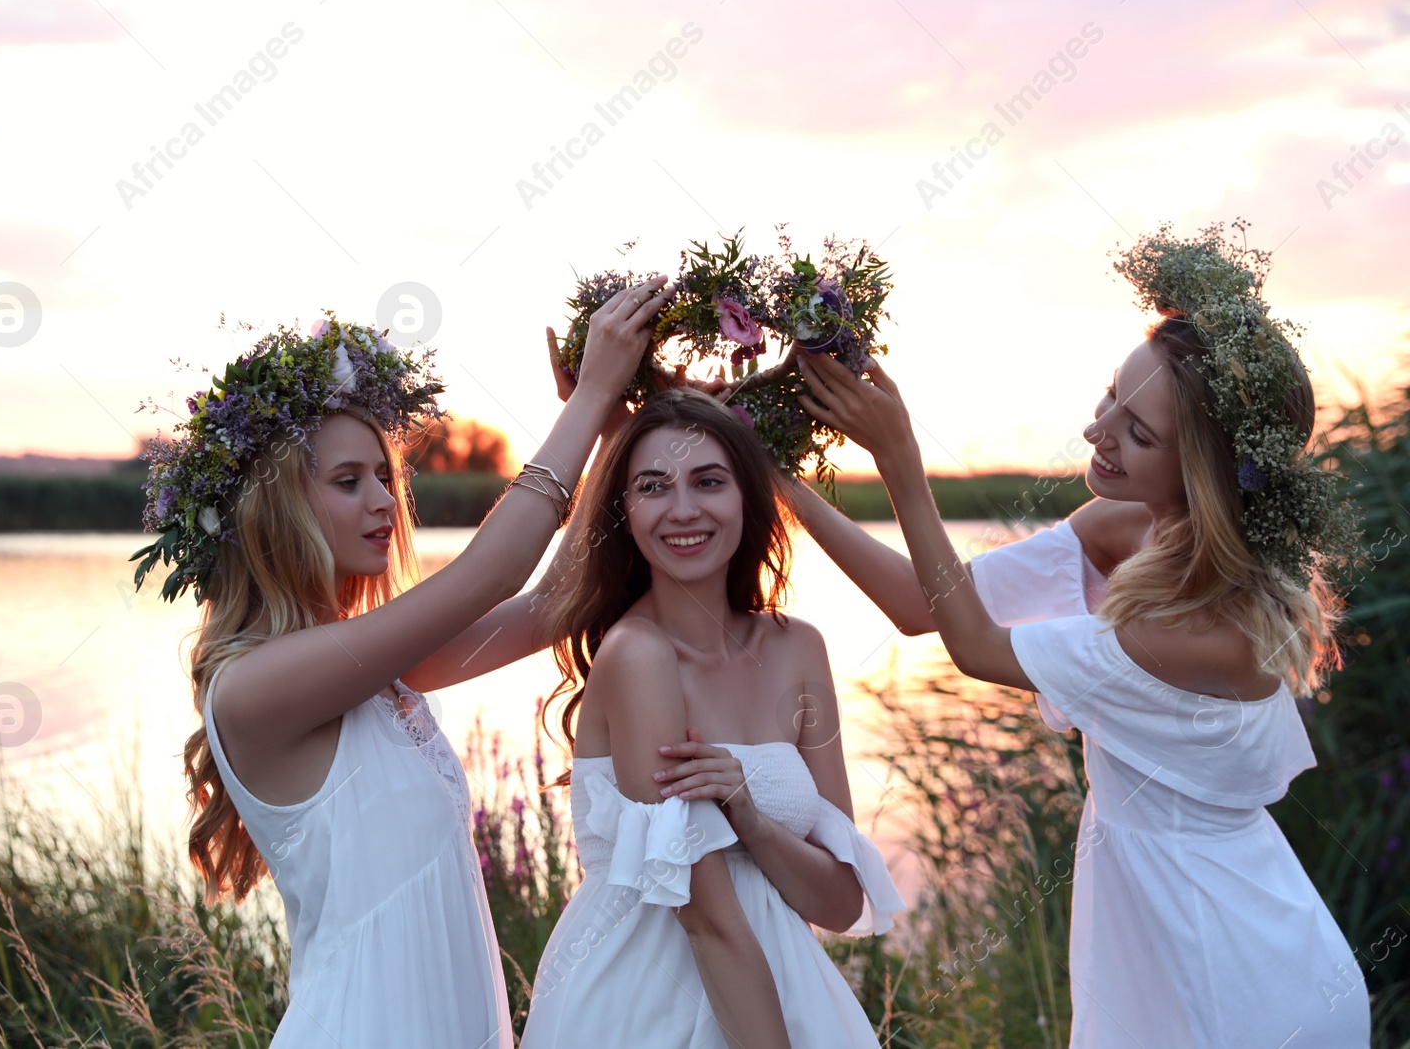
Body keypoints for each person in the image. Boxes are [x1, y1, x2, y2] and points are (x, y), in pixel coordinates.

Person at [793, 225, 1369, 1047]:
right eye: (1111, 398)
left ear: (1200, 470)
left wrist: (900, 459)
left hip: (1232, 969)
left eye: (1139, 433)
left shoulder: (1210, 631)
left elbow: (977, 649)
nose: (1100, 432)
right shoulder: (1121, 524)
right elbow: (928, 605)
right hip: (1157, 922)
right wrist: (774, 476)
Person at [129, 279, 670, 1049]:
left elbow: (553, 599)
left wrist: (614, 432)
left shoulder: (371, 668)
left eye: (385, 475)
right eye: (349, 481)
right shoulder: (254, 686)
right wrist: (587, 397)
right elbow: (494, 570)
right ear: (274, 507)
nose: (383, 499)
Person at [508, 389, 904, 1049]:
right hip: (647, 1002)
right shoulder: (637, 657)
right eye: (653, 486)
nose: (683, 509)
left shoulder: (798, 648)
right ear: (625, 511)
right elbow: (707, 923)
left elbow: (839, 903)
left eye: (709, 481)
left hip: (785, 986)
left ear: (748, 496)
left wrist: (749, 816)